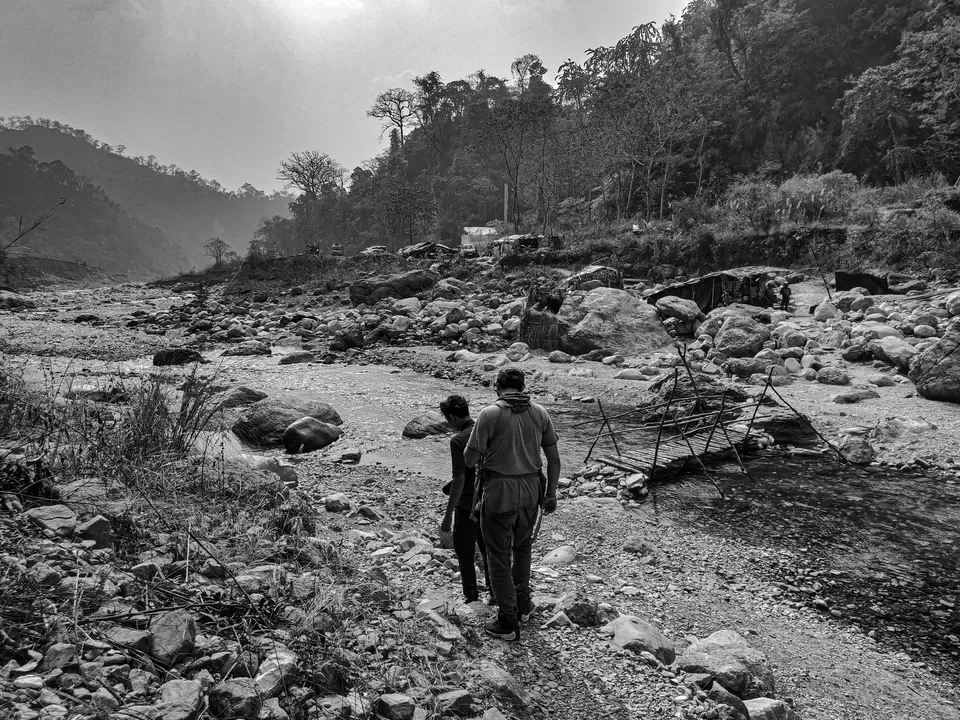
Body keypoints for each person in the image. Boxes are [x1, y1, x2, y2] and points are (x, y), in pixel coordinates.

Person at [464, 368, 560, 642]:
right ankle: (523, 604)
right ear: (522, 386)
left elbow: (470, 460)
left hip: (499, 493)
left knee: (498, 557)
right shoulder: (540, 413)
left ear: (497, 387)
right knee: (522, 548)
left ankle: (507, 620)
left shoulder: (489, 414)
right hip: (532, 492)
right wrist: (551, 494)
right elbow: (554, 459)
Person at [439, 395, 491, 604]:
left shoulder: (458, 440)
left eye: (447, 420)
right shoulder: (485, 431)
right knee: (488, 548)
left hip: (468, 502)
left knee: (464, 549)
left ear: (451, 417)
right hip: (490, 497)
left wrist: (448, 514)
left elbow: (460, 478)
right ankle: (494, 591)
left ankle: (470, 595)